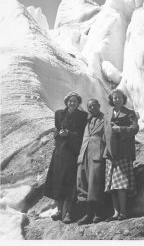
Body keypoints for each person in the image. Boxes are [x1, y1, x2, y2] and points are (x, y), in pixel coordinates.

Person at [44, 91, 88, 224]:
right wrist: (60, 134)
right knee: (57, 181)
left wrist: (69, 134)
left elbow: (82, 134)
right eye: (70, 100)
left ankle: (68, 212)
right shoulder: (59, 114)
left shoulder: (83, 116)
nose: (72, 103)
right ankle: (59, 210)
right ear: (66, 102)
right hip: (60, 152)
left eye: (75, 101)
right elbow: (56, 131)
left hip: (73, 152)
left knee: (70, 182)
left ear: (78, 103)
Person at [103, 89, 139, 221]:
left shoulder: (129, 113)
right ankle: (116, 212)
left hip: (123, 152)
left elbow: (135, 128)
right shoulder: (107, 115)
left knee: (121, 184)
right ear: (111, 100)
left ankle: (123, 212)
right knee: (112, 185)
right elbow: (104, 134)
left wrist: (121, 129)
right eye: (114, 98)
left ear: (123, 99)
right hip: (110, 153)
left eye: (119, 98)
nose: (117, 100)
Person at [77, 99, 106, 225]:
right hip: (84, 153)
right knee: (82, 182)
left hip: (97, 154)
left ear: (99, 106)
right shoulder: (86, 120)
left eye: (94, 105)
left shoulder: (105, 119)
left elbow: (109, 136)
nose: (92, 108)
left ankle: (97, 213)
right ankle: (86, 212)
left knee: (95, 183)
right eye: (90, 107)